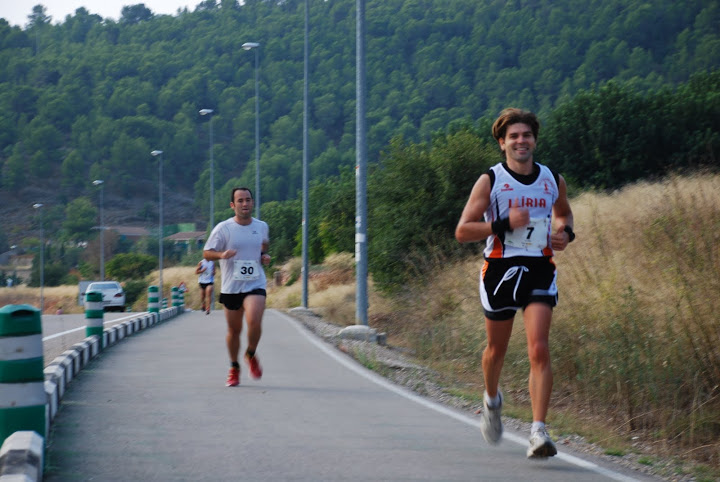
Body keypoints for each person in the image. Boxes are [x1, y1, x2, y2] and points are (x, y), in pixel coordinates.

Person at [455, 108, 574, 459]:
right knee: (497, 351)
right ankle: (492, 400)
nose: (521, 141)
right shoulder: (490, 181)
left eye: (527, 135)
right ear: (502, 143)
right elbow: (463, 231)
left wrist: (565, 232)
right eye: (514, 136)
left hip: (539, 267)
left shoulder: (552, 178)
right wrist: (503, 223)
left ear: (535, 139)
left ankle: (538, 431)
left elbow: (563, 212)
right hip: (500, 271)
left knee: (539, 348)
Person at [203, 187, 271, 387]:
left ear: (253, 203)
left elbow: (264, 244)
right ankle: (234, 367)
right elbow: (207, 252)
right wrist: (221, 255)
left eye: (248, 200)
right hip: (231, 286)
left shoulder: (261, 226)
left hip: (255, 283)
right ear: (233, 205)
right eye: (240, 201)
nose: (245, 204)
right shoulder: (223, 228)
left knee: (254, 320)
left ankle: (250, 353)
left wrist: (262, 256)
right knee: (234, 330)